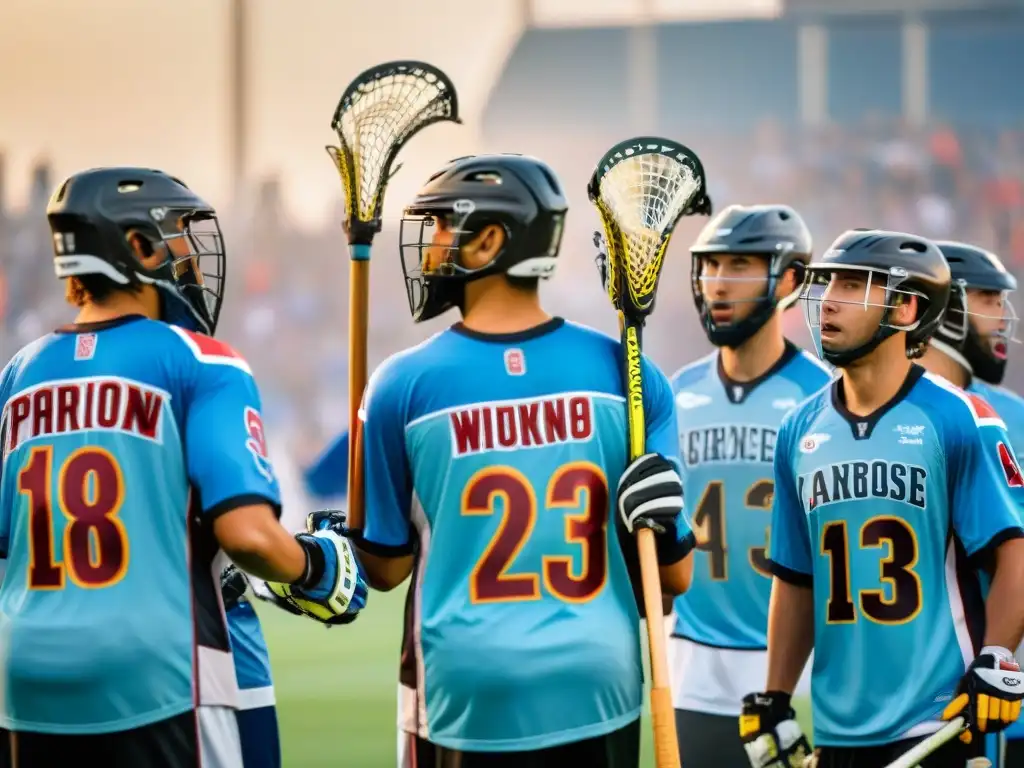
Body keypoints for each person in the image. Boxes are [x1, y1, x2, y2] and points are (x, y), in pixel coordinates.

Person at [0, 167, 365, 767]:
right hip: (159, 676)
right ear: (137, 248)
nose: (192, 261)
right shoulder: (202, 361)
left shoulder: (19, 374)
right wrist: (316, 566)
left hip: (29, 680)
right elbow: (246, 533)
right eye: (179, 240)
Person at [351, 153, 695, 768]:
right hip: (600, 683)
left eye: (440, 226)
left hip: (464, 690)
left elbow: (384, 568)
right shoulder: (629, 377)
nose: (428, 244)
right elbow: (671, 580)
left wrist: (342, 534)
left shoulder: (402, 384)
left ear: (489, 240)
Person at [741, 229, 1024, 768]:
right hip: (838, 729)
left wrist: (998, 656)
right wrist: (776, 697)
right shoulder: (798, 428)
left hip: (941, 722)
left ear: (907, 308)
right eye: (828, 285)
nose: (829, 301)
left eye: (854, 286)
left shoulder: (960, 418)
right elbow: (797, 578)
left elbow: (1014, 551)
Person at [669, 204, 832, 767]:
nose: (718, 282)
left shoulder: (827, 399)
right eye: (711, 265)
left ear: (789, 279)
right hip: (692, 667)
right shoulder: (673, 395)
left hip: (801, 668)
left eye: (739, 265)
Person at [921, 240, 1024, 768]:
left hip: (997, 683)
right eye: (987, 297)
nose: (1002, 316)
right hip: (923, 694)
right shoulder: (884, 418)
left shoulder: (1010, 416)